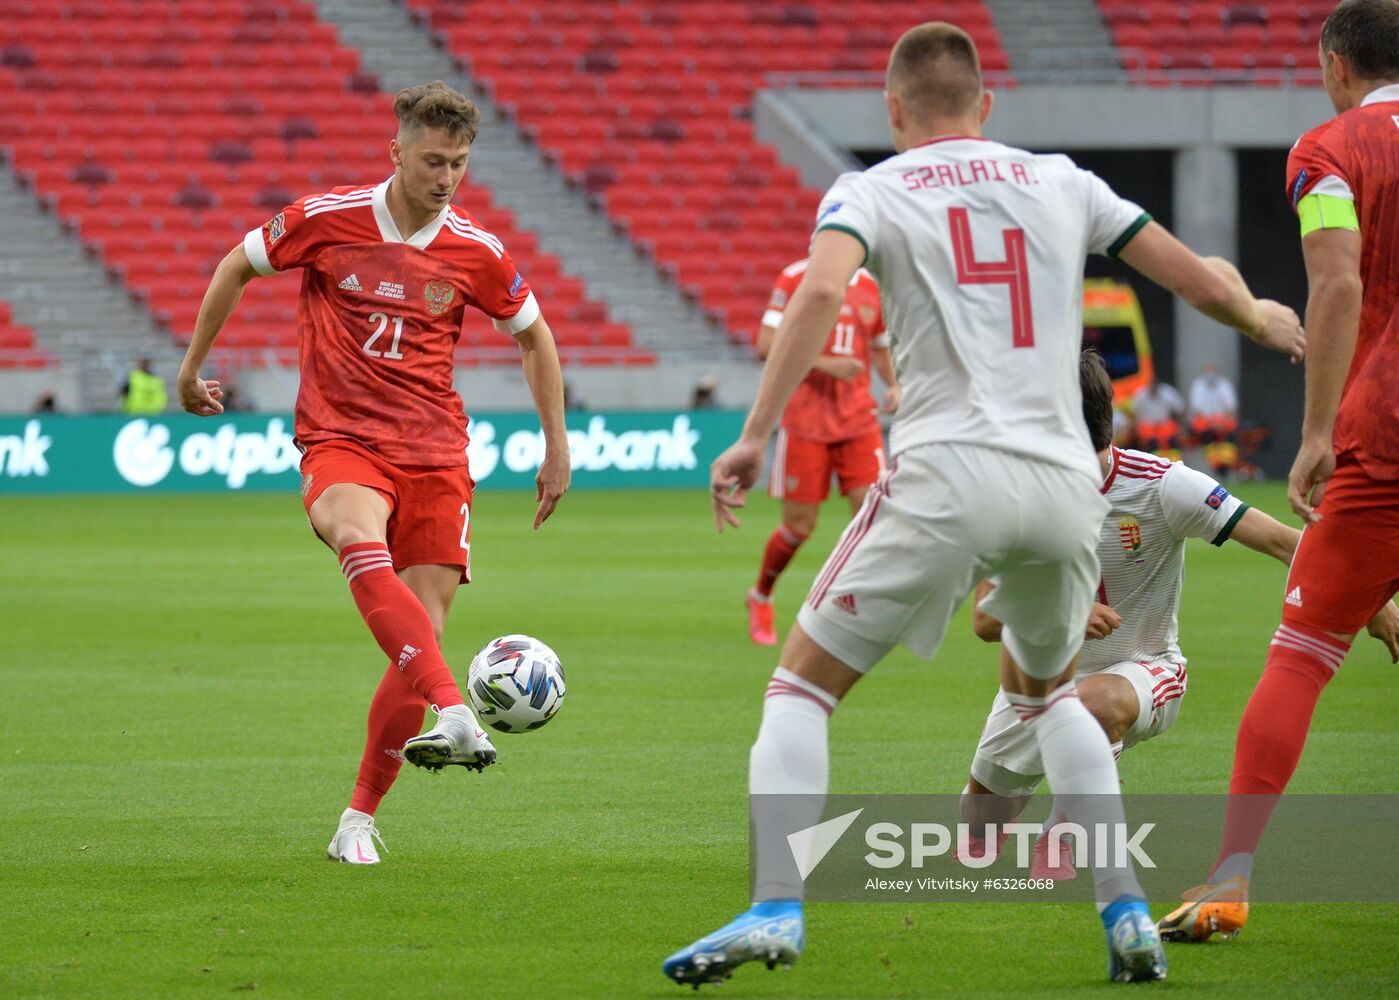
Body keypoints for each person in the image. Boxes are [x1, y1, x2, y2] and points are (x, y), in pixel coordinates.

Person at [663, 22, 1302, 988]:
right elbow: (1195, 278)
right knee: (1049, 704)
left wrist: (754, 434)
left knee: (798, 688)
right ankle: (1124, 911)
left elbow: (819, 293)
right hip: (1060, 487)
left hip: (942, 469)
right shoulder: (1060, 179)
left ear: (892, 111)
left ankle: (773, 907)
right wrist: (1260, 317)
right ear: (985, 106)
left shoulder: (868, 191)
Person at [175, 81, 570, 866]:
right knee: (356, 534)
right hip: (342, 439)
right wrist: (192, 370)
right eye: (431, 160)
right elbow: (235, 265)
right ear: (397, 152)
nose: (445, 176)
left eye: (458, 163)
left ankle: (357, 818)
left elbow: (535, 337)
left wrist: (556, 447)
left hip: (436, 455)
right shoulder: (327, 219)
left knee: (416, 635)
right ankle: (456, 710)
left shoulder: (477, 252)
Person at [961, 351, 1399, 878]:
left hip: (1142, 669)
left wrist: (1369, 600)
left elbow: (1286, 543)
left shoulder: (1163, 485)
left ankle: (1062, 829)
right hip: (1036, 683)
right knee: (974, 840)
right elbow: (984, 621)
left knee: (1095, 704)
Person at [1162, 0, 1399, 943]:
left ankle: (1228, 878)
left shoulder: (1329, 148)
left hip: (1382, 436)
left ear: (1337, 65)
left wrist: (1313, 433)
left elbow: (1336, 282)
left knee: (1298, 659)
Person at [745, 258, 899, 645]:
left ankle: (853, 606)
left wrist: (894, 385)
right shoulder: (796, 277)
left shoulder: (870, 287)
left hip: (858, 421)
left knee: (876, 517)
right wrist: (827, 364)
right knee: (799, 527)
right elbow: (766, 345)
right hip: (805, 421)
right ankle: (761, 596)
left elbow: (879, 348)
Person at [1188, 363, 1239, 475]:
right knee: (1206, 436)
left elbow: (1231, 408)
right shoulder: (1198, 385)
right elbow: (1197, 409)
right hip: (1206, 423)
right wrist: (1212, 423)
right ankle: (1216, 464)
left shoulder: (1225, 385)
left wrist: (1220, 422)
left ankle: (1225, 465)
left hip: (1223, 422)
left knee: (1230, 434)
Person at [1131, 378, 1186, 458]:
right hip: (1148, 428)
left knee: (1172, 436)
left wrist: (1181, 426)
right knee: (1149, 440)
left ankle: (1175, 461)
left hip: (1165, 425)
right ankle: (1154, 460)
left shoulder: (1167, 392)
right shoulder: (1140, 394)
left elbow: (1180, 409)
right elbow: (1133, 414)